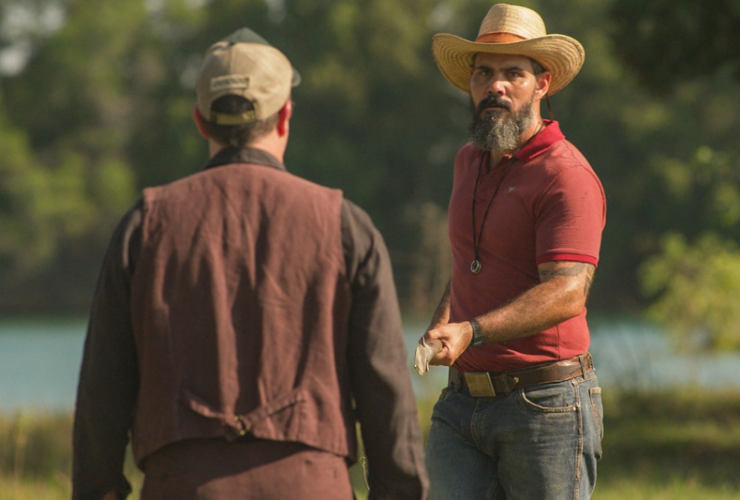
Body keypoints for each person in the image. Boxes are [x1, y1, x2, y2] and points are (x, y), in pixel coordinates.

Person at [72, 28, 429, 500]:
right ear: (285, 116)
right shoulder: (345, 225)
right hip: (310, 486)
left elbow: (103, 394)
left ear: (201, 120)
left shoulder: (145, 226)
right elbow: (387, 393)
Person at [419, 4, 606, 499]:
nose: (494, 86)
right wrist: (445, 322)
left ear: (542, 83)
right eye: (484, 73)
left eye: (512, 74)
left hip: (546, 404)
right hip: (461, 405)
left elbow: (567, 292)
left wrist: (472, 330)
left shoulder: (566, 175)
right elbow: (468, 262)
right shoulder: (467, 161)